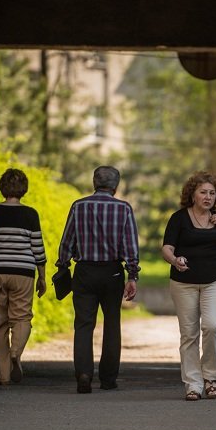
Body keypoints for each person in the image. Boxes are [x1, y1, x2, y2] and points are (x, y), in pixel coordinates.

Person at [56, 166, 139, 394]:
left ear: (94, 182)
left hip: (84, 272)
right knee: (112, 324)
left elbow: (66, 242)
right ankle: (108, 379)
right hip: (112, 272)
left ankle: (83, 374)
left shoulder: (78, 206)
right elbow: (130, 245)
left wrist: (63, 265)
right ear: (116, 185)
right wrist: (132, 275)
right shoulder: (124, 209)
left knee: (83, 324)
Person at [162, 171, 216, 401]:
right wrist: (175, 260)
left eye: (212, 193)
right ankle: (193, 384)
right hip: (183, 283)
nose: (208, 197)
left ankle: (211, 377)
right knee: (189, 334)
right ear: (193, 195)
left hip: (215, 281)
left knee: (213, 326)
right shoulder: (178, 218)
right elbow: (167, 248)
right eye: (203, 192)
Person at [0, 168, 47, 386]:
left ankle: (3, 375)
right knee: (22, 318)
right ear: (24, 189)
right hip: (24, 272)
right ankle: (16, 352)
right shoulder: (31, 214)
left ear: (2, 187)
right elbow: (38, 248)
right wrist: (42, 276)